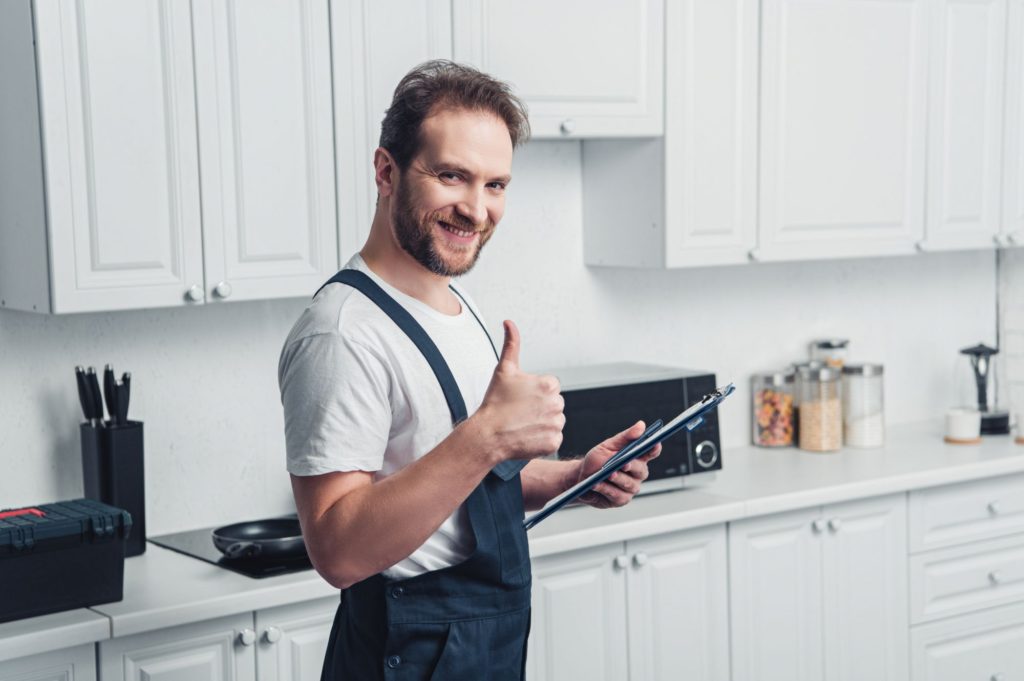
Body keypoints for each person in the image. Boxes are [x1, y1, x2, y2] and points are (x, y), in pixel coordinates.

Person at [278, 60, 660, 681]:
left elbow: (473, 482)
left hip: (481, 644)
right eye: (452, 176)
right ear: (386, 172)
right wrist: (487, 436)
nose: (476, 210)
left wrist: (574, 477)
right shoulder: (343, 333)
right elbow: (339, 551)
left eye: (496, 185)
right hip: (404, 652)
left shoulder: (458, 303)